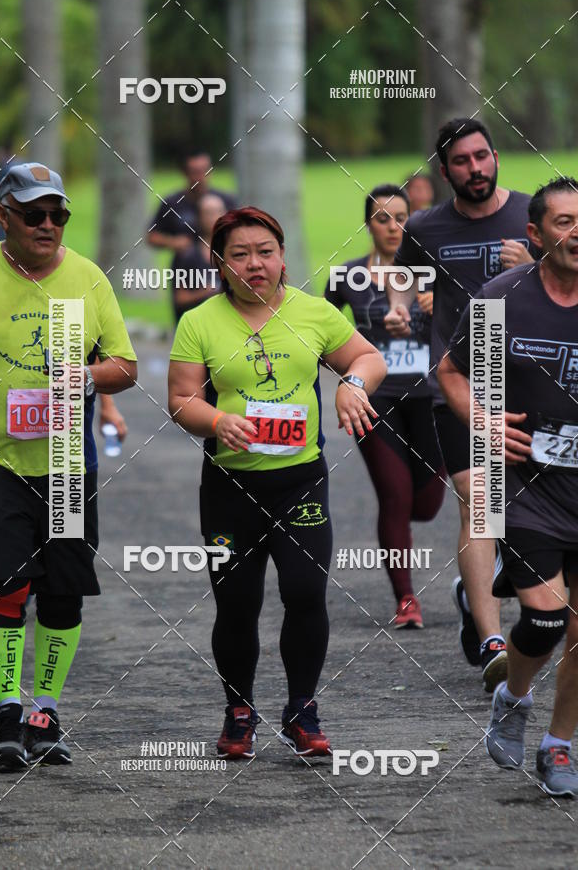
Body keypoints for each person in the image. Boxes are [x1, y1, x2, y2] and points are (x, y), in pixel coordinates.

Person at [168, 206, 386, 759]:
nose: (254, 264)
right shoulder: (199, 322)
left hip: (300, 484)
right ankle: (239, 711)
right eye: (239, 255)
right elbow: (181, 400)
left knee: (306, 592)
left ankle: (302, 710)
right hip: (229, 488)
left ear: (282, 257)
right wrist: (218, 421)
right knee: (236, 605)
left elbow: (366, 355)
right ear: (219, 263)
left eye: (265, 252)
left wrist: (352, 384)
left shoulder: (313, 314)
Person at [0, 162, 137, 769]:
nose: (49, 226)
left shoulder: (88, 279)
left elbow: (125, 364)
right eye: (35, 215)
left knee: (64, 589)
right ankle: (9, 710)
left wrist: (86, 376)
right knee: (1, 581)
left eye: (59, 215)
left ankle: (45, 708)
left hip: (68, 462)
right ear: (4, 218)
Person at [438, 176, 578, 796]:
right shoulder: (504, 298)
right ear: (536, 234)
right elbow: (455, 372)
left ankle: (560, 745)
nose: (577, 232)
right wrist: (485, 420)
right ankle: (513, 697)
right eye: (564, 222)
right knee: (546, 621)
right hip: (524, 481)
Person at [385, 117, 535, 692]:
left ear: (495, 156)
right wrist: (401, 307)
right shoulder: (425, 226)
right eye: (462, 162)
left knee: (526, 511)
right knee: (481, 499)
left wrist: (532, 266)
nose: (476, 169)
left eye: (483, 157)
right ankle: (496, 642)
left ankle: (485, 587)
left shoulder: (533, 212)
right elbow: (403, 277)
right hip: (461, 380)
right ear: (444, 171)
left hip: (532, 382)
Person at [325, 185, 445, 628]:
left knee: (427, 505)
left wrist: (444, 307)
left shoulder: (436, 273)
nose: (393, 227)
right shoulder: (346, 276)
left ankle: (405, 536)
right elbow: (317, 335)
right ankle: (406, 599)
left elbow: (480, 323)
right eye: (382, 218)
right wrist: (364, 345)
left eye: (401, 218)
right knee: (394, 497)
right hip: (374, 402)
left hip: (432, 399)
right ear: (368, 224)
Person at [147, 150, 237, 271]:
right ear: (184, 173)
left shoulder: (225, 200)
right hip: (185, 270)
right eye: (195, 172)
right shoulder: (173, 203)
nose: (200, 177)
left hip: (220, 267)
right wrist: (174, 242)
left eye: (205, 171)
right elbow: (152, 236)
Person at [169, 192, 226, 327]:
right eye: (208, 212)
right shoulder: (187, 255)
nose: (212, 217)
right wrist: (206, 292)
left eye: (217, 212)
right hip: (195, 325)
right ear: (199, 217)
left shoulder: (234, 253)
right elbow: (179, 298)